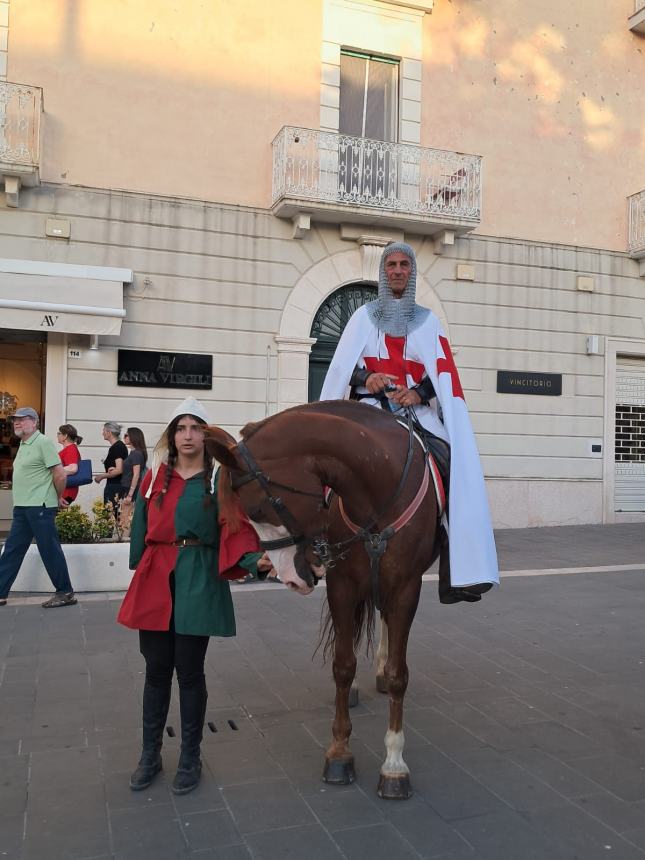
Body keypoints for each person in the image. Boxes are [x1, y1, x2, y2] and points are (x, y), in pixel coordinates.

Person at [320, 241, 499, 604]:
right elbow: (340, 369)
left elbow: (445, 374)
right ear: (383, 272)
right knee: (328, 462)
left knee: (449, 457)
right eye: (392, 265)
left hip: (416, 413)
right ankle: (316, 542)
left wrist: (418, 393)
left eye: (404, 265)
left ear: (411, 272)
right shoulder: (362, 318)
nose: (398, 271)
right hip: (369, 408)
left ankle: (453, 558)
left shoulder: (428, 322)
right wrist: (364, 378)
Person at [117, 397, 273, 795]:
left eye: (195, 427)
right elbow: (141, 526)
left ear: (205, 434)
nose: (187, 435)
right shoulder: (155, 476)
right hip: (156, 578)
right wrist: (138, 566)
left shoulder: (218, 479)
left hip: (198, 577)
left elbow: (233, 528)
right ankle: (149, 755)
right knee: (155, 671)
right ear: (172, 435)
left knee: (189, 671)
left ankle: (190, 756)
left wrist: (257, 562)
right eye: (180, 427)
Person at [0, 407, 77, 609]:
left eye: (23, 419)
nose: (17, 422)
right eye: (15, 420)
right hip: (23, 507)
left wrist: (57, 497)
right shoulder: (24, 444)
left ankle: (65, 592)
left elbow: (59, 474)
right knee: (12, 550)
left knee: (49, 550)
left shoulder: (43, 442)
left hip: (40, 506)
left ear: (34, 423)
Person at [93, 421, 128, 508]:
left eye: (104, 431)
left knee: (112, 517)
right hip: (115, 486)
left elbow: (119, 469)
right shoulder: (116, 446)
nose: (102, 433)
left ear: (109, 432)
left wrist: (102, 476)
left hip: (115, 487)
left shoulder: (118, 447)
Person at [119, 427, 148, 507]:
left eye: (126, 435)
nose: (124, 437)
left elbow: (136, 474)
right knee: (125, 517)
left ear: (133, 437)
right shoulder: (134, 453)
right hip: (128, 487)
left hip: (130, 489)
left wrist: (130, 495)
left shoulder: (136, 454)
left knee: (125, 517)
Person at [57, 423, 83, 506]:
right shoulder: (69, 449)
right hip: (64, 490)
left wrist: (52, 470)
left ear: (65, 436)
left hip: (66, 492)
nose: (57, 435)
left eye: (59, 433)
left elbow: (73, 468)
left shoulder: (71, 449)